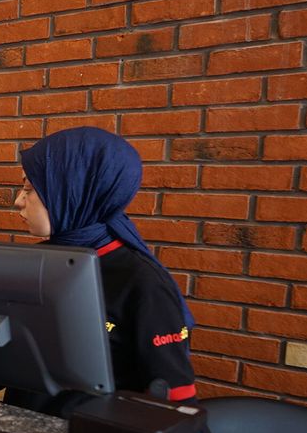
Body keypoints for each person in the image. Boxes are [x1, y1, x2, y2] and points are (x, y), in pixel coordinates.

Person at [14, 126, 197, 403]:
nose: (18, 201)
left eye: (29, 188)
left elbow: (175, 400)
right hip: (18, 431)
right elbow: (13, 354)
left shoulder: (142, 283)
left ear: (73, 191)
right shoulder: (35, 263)